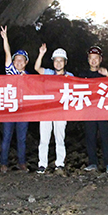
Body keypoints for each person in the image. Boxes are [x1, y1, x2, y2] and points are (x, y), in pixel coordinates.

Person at [34, 44, 73, 174]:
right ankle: (42, 164)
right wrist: (41, 54)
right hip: (46, 110)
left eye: (61, 60)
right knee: (44, 139)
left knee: (59, 138)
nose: (58, 63)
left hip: (61, 111)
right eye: (56, 60)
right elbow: (37, 68)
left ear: (65, 62)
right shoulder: (49, 73)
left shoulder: (70, 76)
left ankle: (60, 163)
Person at [75, 45, 108, 174]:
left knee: (106, 137)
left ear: (100, 59)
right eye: (91, 58)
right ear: (88, 59)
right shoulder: (83, 75)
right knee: (90, 137)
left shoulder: (105, 74)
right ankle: (93, 163)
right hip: (89, 111)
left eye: (96, 58)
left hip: (103, 111)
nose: (93, 60)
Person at [0, 26, 30, 173]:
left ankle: (21, 162)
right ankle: (3, 163)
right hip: (9, 109)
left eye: (22, 60)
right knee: (6, 137)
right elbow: (7, 53)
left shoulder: (29, 76)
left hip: (23, 111)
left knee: (22, 138)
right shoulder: (10, 71)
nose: (19, 62)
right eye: (16, 60)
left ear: (26, 62)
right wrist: (5, 38)